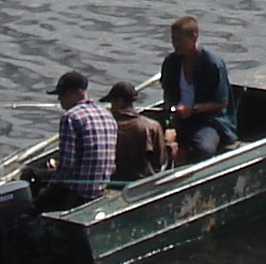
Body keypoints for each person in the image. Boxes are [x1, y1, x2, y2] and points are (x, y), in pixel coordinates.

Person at [31, 70, 116, 210]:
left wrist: (47, 189)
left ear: (80, 92)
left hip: (77, 192)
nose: (60, 100)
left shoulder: (70, 117)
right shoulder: (107, 115)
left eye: (64, 95)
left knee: (31, 175)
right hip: (99, 187)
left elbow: (66, 165)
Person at [158, 15, 237, 162]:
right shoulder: (171, 63)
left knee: (204, 149)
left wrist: (192, 109)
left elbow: (222, 102)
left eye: (179, 39)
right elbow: (167, 98)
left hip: (208, 121)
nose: (175, 44)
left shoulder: (212, 63)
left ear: (194, 37)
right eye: (173, 39)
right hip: (178, 118)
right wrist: (170, 125)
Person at [106, 81, 173, 181]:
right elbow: (160, 161)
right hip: (140, 182)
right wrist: (169, 146)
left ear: (119, 102)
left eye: (112, 103)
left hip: (112, 178)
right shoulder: (151, 126)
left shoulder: (106, 125)